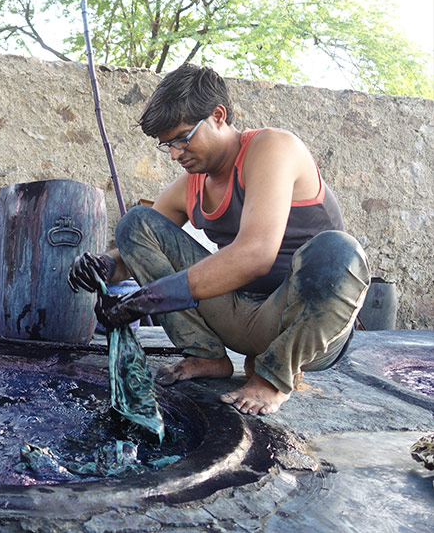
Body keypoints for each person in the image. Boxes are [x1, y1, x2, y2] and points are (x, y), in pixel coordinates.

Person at [69, 64, 370, 416]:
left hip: (305, 327)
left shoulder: (273, 148)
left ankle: (273, 378)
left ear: (217, 115)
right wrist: (102, 266)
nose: (175, 154)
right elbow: (136, 250)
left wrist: (152, 299)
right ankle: (206, 355)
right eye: (167, 145)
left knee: (339, 251)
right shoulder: (190, 185)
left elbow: (256, 254)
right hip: (240, 317)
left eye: (183, 138)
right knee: (136, 223)